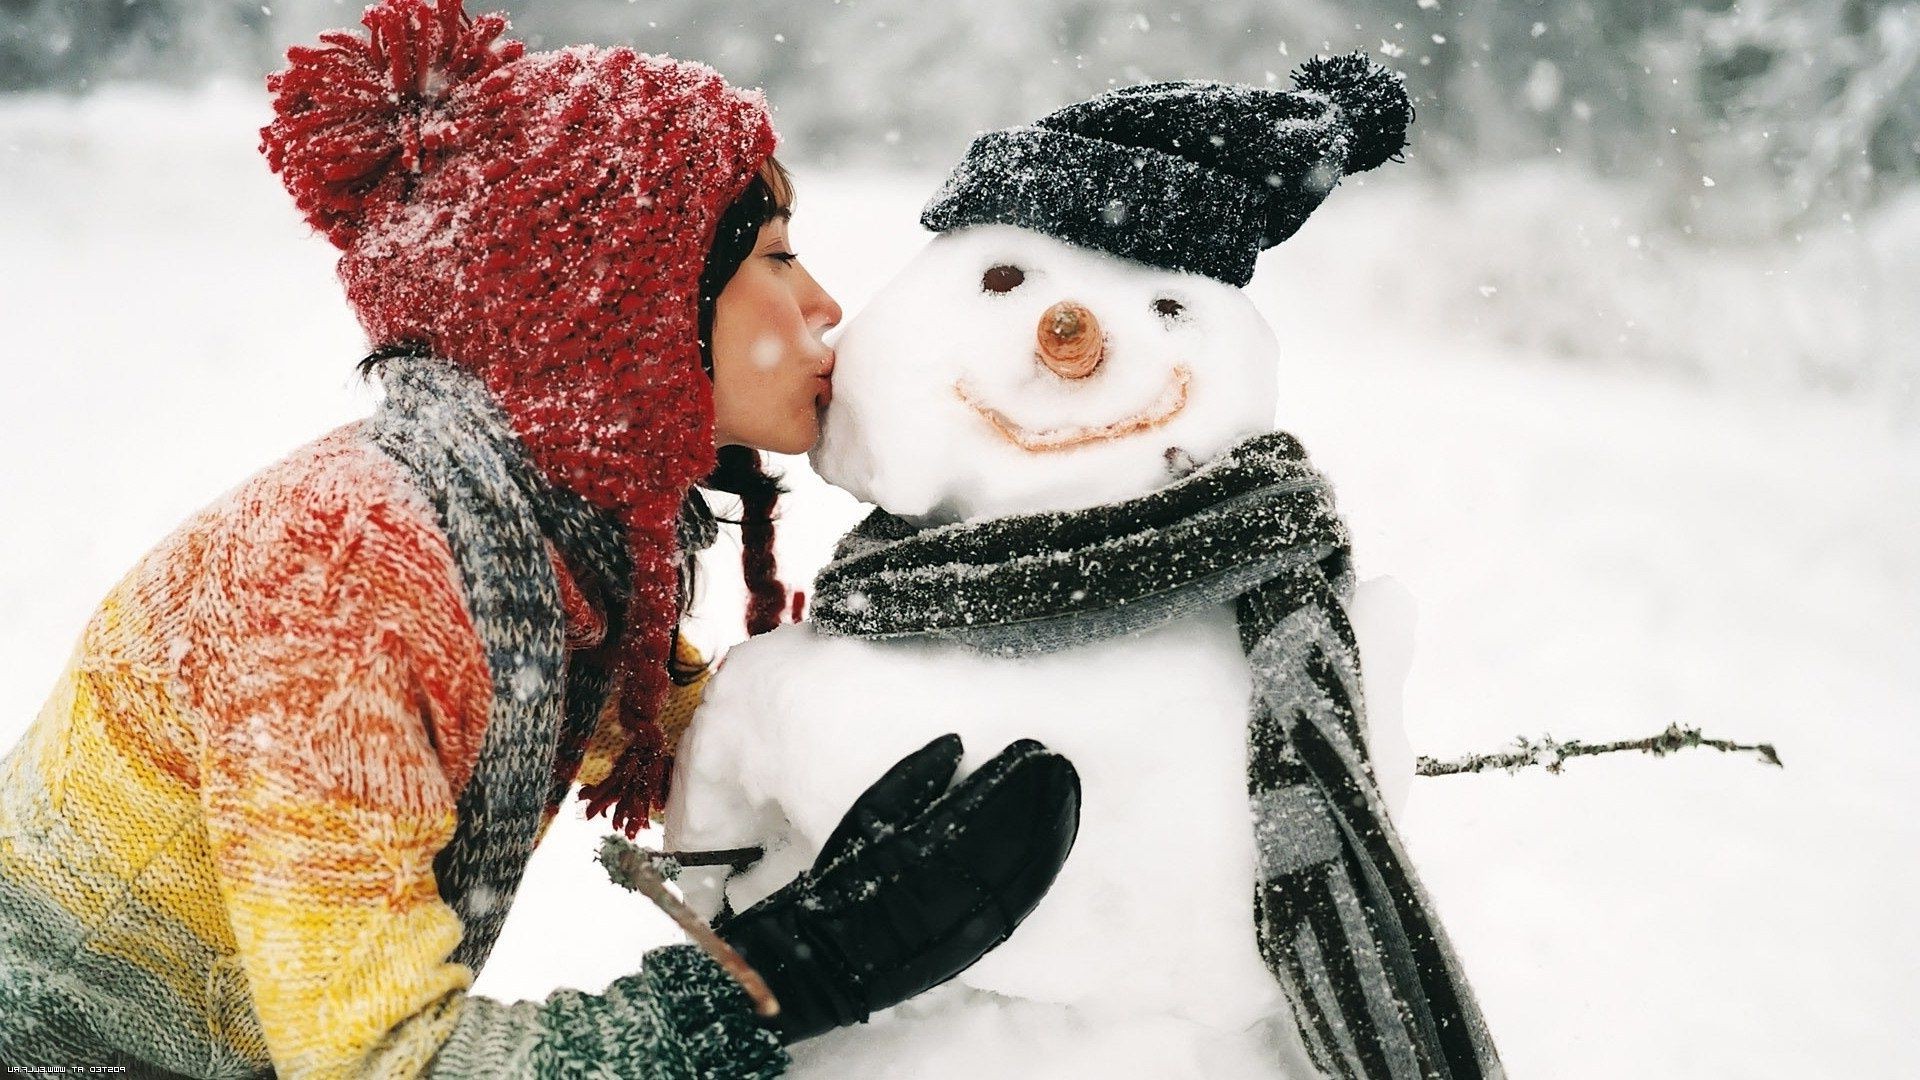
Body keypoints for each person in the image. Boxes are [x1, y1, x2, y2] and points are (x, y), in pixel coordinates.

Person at [0, 1, 1081, 1077]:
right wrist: (788, 977)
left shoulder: (543, 552)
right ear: (629, 301)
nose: (826, 303)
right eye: (777, 256)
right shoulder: (348, 577)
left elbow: (699, 735)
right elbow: (388, 1065)